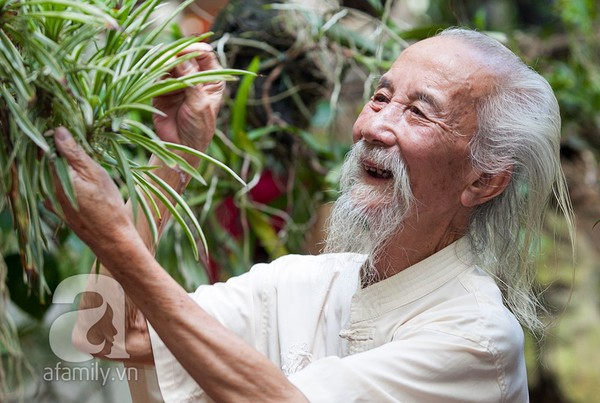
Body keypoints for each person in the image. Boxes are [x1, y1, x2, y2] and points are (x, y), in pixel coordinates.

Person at [51, 28, 573, 402]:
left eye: (418, 112)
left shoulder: (476, 336)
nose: (375, 127)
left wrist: (116, 239)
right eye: (381, 97)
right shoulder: (304, 282)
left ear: (483, 180)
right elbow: (108, 335)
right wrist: (174, 161)